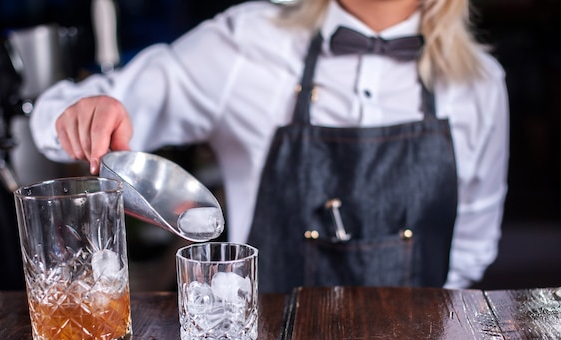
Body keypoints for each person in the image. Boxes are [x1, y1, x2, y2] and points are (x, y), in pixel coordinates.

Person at [29, 0, 510, 293]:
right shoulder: (246, 42)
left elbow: (469, 249)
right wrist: (84, 113)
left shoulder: (480, 85)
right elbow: (62, 114)